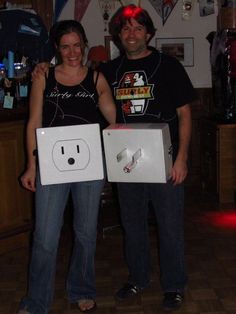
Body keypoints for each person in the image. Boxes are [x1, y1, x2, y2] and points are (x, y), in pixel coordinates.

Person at [99, 4, 197, 311]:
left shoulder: (168, 66)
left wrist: (181, 158)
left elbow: (184, 114)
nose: (131, 33)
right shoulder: (108, 72)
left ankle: (174, 285)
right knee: (132, 224)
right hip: (126, 159)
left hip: (165, 160)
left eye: (138, 28)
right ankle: (138, 277)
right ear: (118, 35)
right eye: (126, 28)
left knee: (169, 225)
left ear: (149, 34)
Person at [18, 20, 116, 314]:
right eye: (65, 46)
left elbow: (113, 116)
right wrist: (31, 165)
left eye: (77, 45)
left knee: (85, 233)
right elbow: (33, 121)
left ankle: (82, 289)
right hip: (51, 165)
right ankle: (37, 301)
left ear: (84, 45)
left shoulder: (97, 78)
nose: (72, 52)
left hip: (90, 165)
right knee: (46, 237)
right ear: (57, 49)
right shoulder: (43, 76)